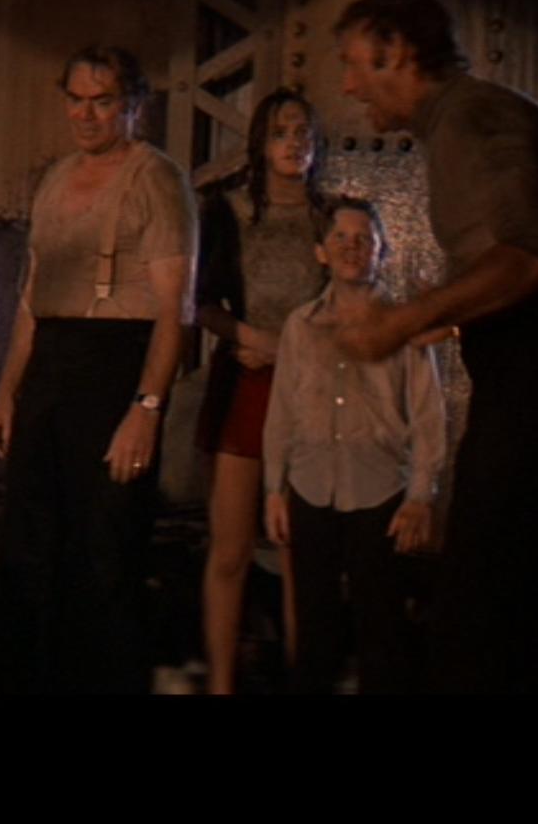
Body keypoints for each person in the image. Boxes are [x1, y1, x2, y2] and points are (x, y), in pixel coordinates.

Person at [331, 0, 538, 694]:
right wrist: (450, 316)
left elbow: (532, 256)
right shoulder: (467, 119)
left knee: (481, 615)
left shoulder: (471, 118)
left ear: (397, 51)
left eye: (355, 63)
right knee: (526, 612)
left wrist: (401, 319)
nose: (348, 85)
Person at [0, 45, 196, 693]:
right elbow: (32, 297)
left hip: (115, 367)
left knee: (104, 556)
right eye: (75, 100)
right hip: (50, 366)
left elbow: (175, 310)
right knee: (30, 549)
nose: (86, 114)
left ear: (133, 106)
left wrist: (146, 408)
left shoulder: (156, 180)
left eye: (102, 101)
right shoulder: (55, 179)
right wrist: (8, 390)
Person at [260, 198, 446, 695]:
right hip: (311, 487)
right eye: (340, 237)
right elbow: (282, 412)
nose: (351, 247)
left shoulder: (403, 325)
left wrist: (420, 496)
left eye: (364, 239)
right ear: (321, 251)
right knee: (314, 629)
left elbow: (428, 415)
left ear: (380, 251)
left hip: (379, 492)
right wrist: (274, 489)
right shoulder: (301, 326)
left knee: (381, 628)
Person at [194, 87, 328, 694]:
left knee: (301, 555)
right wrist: (250, 336)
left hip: (312, 392)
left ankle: (302, 682)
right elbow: (202, 304)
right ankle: (221, 684)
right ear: (260, 143)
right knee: (230, 552)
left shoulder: (333, 217)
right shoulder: (230, 212)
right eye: (281, 133)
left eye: (303, 133)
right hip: (247, 382)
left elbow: (349, 306)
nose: (293, 143)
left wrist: (293, 349)